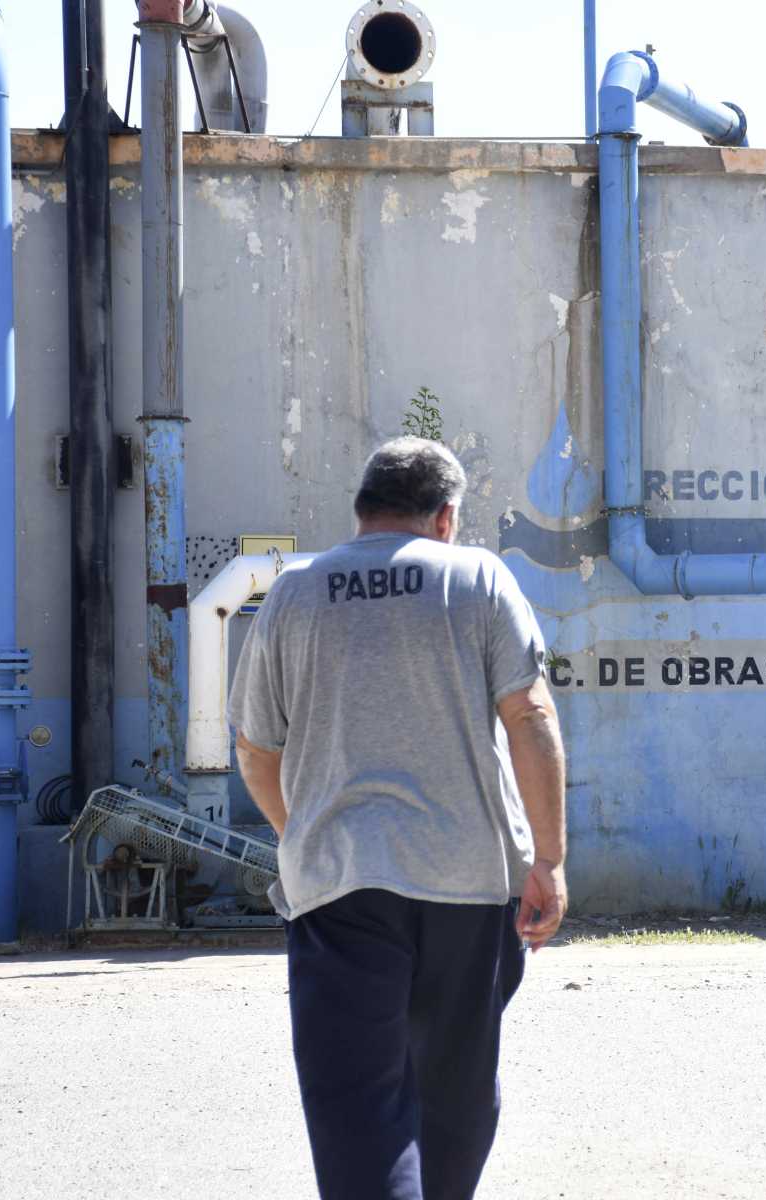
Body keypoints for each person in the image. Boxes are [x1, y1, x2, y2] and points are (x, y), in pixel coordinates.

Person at [229, 436, 567, 1200]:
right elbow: (532, 717)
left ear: (361, 511)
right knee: (456, 1094)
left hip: (341, 887)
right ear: (446, 517)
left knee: (358, 1106)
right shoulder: (478, 576)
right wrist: (547, 859)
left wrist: (302, 834)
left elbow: (254, 750)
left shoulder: (293, 591)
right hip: (470, 885)